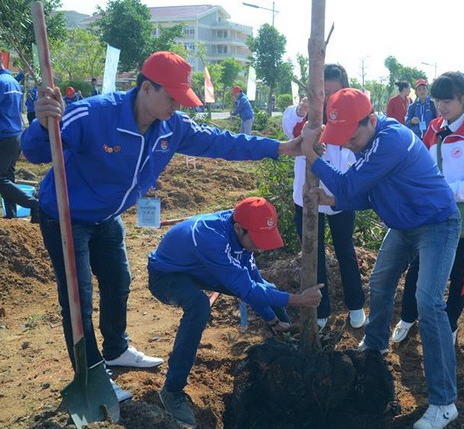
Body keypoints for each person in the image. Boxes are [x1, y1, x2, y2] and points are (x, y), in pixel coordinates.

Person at [21, 51, 302, 402]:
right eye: (171, 97)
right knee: (78, 299)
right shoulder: (94, 113)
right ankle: (92, 375)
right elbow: (34, 153)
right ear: (147, 88)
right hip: (66, 215)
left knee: (118, 283)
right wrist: (42, 123)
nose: (176, 106)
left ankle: (116, 349)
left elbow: (223, 142)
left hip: (107, 216)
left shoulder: (173, 127)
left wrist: (281, 148)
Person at [301, 88, 461, 429]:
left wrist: (311, 157)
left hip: (436, 223)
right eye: (340, 138)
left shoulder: (393, 139)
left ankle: (445, 403)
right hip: (403, 225)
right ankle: (374, 347)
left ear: (371, 120)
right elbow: (369, 194)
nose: (348, 144)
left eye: (351, 136)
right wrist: (334, 193)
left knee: (428, 302)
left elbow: (350, 187)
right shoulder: (369, 141)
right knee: (380, 281)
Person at [148, 196, 323, 426]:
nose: (261, 246)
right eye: (258, 239)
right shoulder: (210, 237)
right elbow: (247, 290)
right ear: (239, 229)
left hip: (200, 269)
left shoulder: (241, 225)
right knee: (198, 306)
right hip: (166, 276)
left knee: (268, 290)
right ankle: (171, 390)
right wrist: (298, 299)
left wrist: (272, 320)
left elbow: (253, 280)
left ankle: (286, 339)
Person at [392, 71, 464, 347]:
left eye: (447, 101)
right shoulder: (435, 127)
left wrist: (447, 191)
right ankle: (408, 317)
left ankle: (450, 324)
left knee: (460, 269)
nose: (441, 106)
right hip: (430, 212)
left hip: (463, 213)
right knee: (419, 264)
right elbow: (422, 164)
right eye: (438, 100)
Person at [281, 63, 365, 330]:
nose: (328, 98)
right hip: (306, 198)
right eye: (323, 92)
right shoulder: (306, 115)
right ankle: (321, 309)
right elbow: (289, 128)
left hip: (338, 198)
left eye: (333, 92)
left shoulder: (351, 116)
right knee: (312, 254)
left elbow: (355, 154)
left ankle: (355, 304)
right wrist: (301, 111)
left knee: (345, 252)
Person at [0, 44, 39, 222]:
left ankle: (35, 204)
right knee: (7, 177)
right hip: (15, 136)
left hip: (4, 137)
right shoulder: (12, 81)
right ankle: (11, 216)